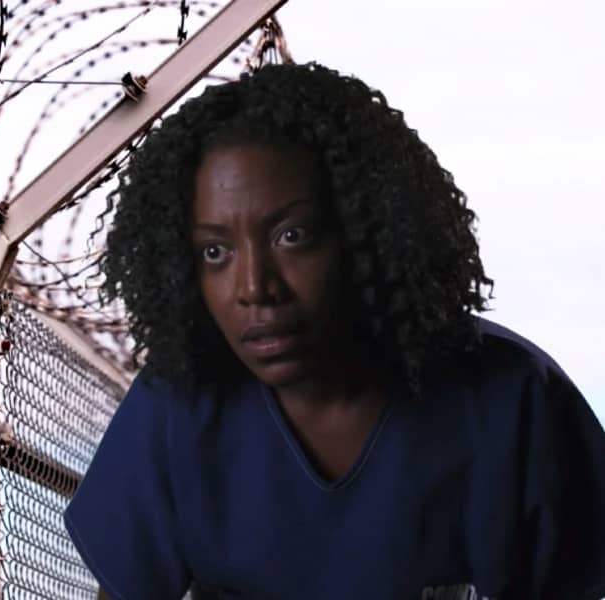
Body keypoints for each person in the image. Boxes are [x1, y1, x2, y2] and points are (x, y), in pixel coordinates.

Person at [63, 62, 605, 599]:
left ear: (367, 232)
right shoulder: (177, 408)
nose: (255, 286)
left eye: (292, 235)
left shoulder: (513, 399)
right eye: (215, 251)